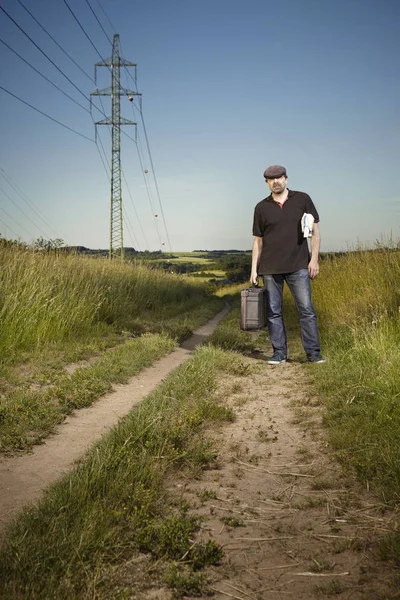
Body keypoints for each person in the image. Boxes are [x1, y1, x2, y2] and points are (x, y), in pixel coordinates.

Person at [250, 164, 325, 364]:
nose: (276, 182)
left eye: (279, 178)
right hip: (270, 269)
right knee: (274, 312)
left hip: (298, 265)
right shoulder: (261, 207)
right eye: (271, 179)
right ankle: (279, 353)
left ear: (286, 179)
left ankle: (313, 353)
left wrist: (314, 259)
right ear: (267, 183)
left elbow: (315, 232)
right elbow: (258, 241)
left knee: (306, 310)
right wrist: (253, 269)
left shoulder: (302, 199)